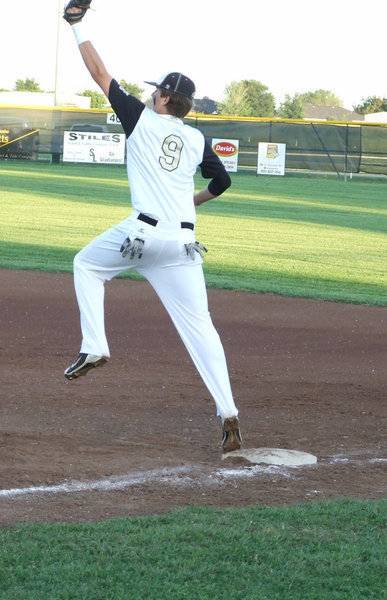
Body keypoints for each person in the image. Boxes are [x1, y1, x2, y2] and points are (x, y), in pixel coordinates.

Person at [61, 3, 243, 457]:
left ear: (162, 98)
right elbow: (221, 183)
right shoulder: (198, 138)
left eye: (155, 91)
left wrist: (76, 22)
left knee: (86, 265)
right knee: (202, 330)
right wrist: (192, 202)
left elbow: (99, 71)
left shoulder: (139, 119)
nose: (151, 96)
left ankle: (95, 345)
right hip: (183, 246)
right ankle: (229, 415)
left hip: (140, 236)